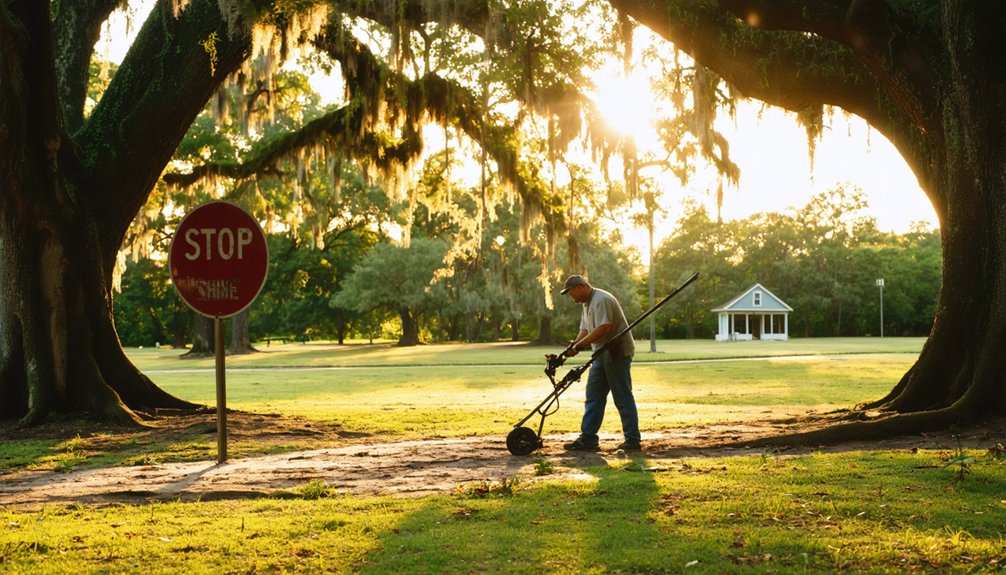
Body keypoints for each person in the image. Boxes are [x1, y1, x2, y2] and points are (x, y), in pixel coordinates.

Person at [559, 274, 641, 452]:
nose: (571, 296)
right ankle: (588, 438)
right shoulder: (586, 304)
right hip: (600, 352)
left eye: (571, 292)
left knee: (622, 396)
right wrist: (573, 346)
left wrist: (580, 346)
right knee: (594, 395)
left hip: (616, 351)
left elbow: (604, 328)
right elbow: (585, 329)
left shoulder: (601, 300)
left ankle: (632, 440)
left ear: (581, 287)